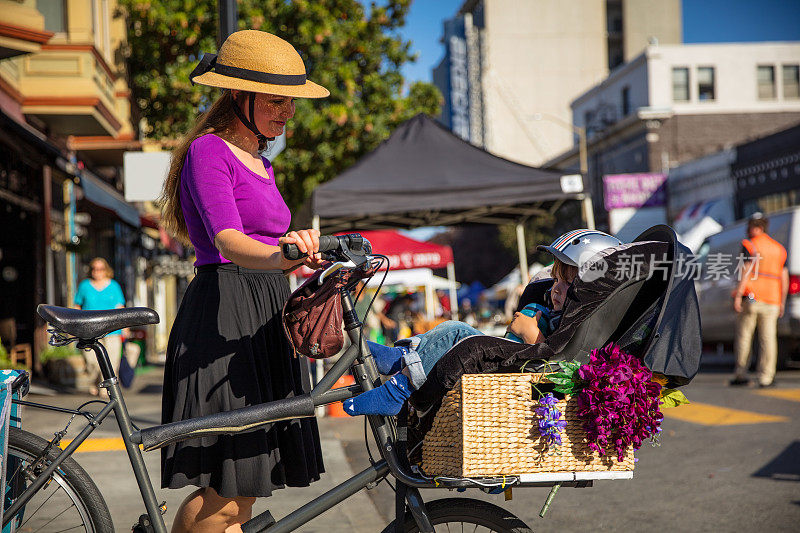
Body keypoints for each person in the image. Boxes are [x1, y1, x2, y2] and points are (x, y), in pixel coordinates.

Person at [158, 30, 329, 533]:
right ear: (239, 94)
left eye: (290, 102)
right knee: (226, 489)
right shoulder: (208, 151)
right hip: (224, 313)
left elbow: (272, 245)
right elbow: (230, 241)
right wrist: (284, 255)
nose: (287, 113)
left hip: (266, 314)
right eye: (276, 101)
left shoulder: (263, 163)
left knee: (249, 485)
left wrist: (308, 259)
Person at [343, 229, 621, 416]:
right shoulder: (560, 311)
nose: (556, 289)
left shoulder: (580, 323)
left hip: (518, 366)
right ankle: (400, 358)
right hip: (510, 358)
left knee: (456, 332)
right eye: (556, 280)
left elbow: (554, 361)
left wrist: (531, 333)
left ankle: (398, 388)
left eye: (567, 283)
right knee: (454, 330)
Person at [730, 213, 789, 388]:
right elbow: (783, 277)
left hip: (752, 298)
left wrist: (738, 295)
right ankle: (766, 378)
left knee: (744, 336)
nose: (747, 231)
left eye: (749, 227)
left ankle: (741, 373)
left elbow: (746, 271)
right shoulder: (779, 249)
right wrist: (782, 302)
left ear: (757, 228)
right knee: (768, 339)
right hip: (772, 300)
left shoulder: (749, 245)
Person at [74, 257, 126, 396]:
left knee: (112, 360)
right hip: (89, 330)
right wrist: (73, 325)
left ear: (106, 270)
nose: (98, 272)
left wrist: (125, 327)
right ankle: (95, 381)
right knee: (91, 361)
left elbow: (120, 307)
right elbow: (77, 306)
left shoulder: (114, 286)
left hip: (112, 329)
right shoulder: (85, 286)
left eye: (101, 269)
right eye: (95, 269)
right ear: (91, 271)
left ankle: (106, 388)